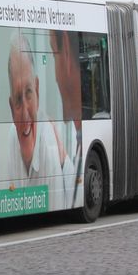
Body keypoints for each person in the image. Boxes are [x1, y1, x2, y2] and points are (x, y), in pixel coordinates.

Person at [5, 34, 65, 184]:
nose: (25, 112)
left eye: (29, 92)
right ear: (12, 108)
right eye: (18, 99)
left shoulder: (47, 142)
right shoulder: (12, 136)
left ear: (37, 91)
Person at [49, 30, 83, 208]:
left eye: (54, 55)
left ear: (67, 52)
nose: (55, 77)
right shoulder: (78, 139)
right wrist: (62, 156)